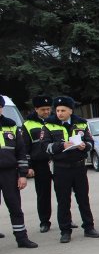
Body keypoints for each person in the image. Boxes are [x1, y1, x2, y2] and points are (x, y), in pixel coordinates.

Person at [41, 96, 99, 243]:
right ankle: (65, 230)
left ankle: (89, 227)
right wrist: (62, 146)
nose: (60, 113)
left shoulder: (81, 123)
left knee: (83, 198)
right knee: (63, 201)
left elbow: (91, 142)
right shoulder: (49, 125)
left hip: (79, 167)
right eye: (57, 110)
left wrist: (84, 146)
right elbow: (44, 146)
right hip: (61, 168)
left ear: (70, 110)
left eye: (63, 110)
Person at [0, 95, 37, 248]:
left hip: (9, 173)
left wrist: (22, 174)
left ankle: (22, 238)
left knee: (15, 206)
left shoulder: (12, 125)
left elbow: (21, 152)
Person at [21, 95, 62, 233]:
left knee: (63, 192)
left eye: (48, 109)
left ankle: (66, 219)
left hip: (57, 161)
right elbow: (24, 147)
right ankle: (44, 221)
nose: (46, 112)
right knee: (43, 194)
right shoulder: (28, 125)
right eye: (43, 109)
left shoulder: (57, 121)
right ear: (36, 109)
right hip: (40, 164)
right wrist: (29, 166)